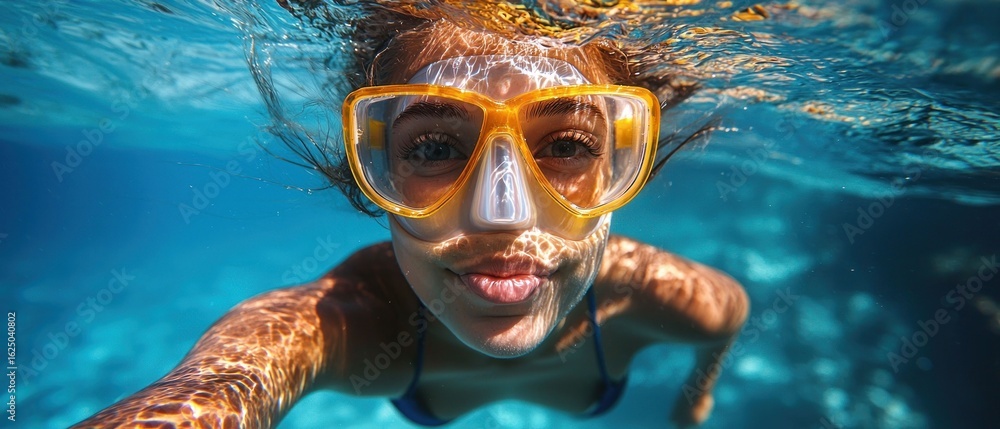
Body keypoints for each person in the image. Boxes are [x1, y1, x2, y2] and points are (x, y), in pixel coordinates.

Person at [75, 2, 749, 428]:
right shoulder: (354, 320)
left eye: (567, 145)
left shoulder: (673, 299)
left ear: (622, 164)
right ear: (376, 170)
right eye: (433, 148)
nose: (502, 217)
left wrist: (696, 396)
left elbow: (730, 321)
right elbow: (219, 388)